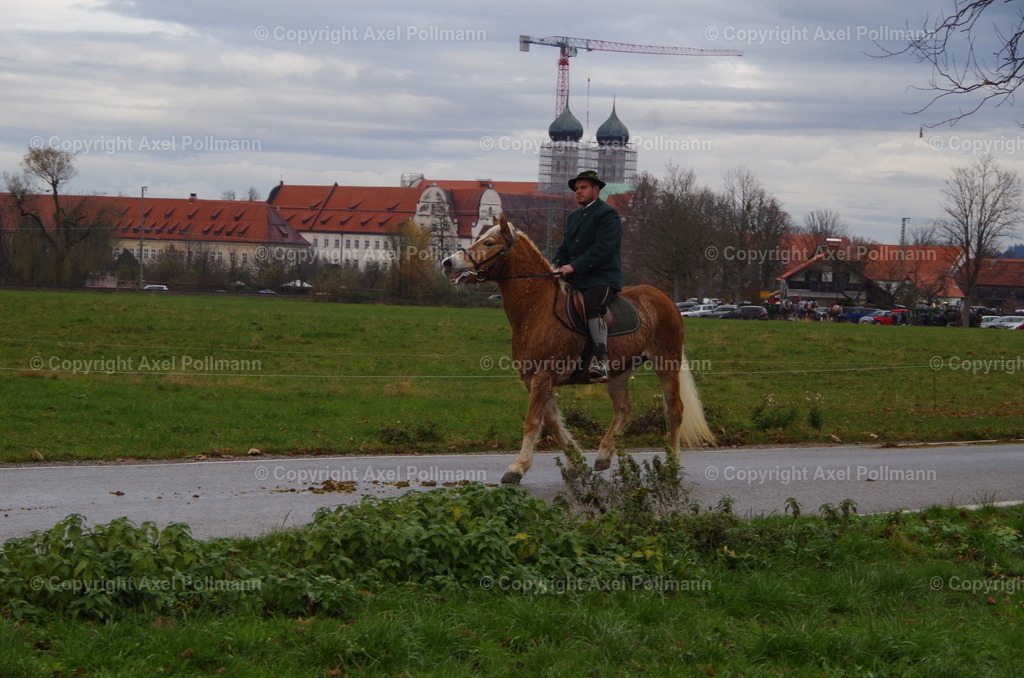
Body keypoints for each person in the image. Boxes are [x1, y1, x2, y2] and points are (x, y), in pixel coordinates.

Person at [552, 170, 622, 382]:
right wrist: (555, 265)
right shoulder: (573, 217)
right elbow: (565, 247)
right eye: (576, 189)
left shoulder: (607, 214)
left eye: (583, 188)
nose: (578, 192)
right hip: (576, 277)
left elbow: (603, 248)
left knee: (593, 307)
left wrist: (574, 266)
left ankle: (600, 361)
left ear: (596, 189)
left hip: (601, 277)